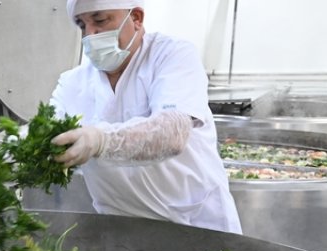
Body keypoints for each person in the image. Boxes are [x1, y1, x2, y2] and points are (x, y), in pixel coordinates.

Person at [50, 0, 242, 234]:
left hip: (197, 228)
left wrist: (101, 140)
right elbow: (46, 136)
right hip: (122, 235)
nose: (90, 34)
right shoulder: (73, 83)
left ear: (136, 18)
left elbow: (172, 133)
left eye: (100, 20)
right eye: (82, 25)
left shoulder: (171, 56)